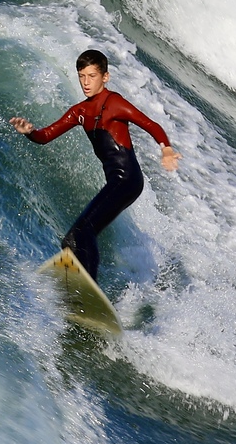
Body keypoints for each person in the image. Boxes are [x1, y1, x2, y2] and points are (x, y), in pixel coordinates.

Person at [10, 49, 180, 282]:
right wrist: (30, 132)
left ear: (105, 77)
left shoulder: (114, 103)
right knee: (70, 241)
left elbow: (150, 124)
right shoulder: (80, 111)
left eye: (92, 76)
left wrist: (166, 148)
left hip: (128, 179)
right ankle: (76, 288)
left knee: (84, 231)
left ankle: (89, 287)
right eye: (82, 76)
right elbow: (46, 135)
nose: (86, 82)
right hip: (116, 182)